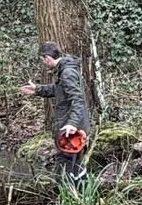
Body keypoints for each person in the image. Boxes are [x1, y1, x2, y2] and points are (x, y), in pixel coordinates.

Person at [21, 42, 91, 188]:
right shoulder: (66, 69)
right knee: (75, 162)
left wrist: (71, 123)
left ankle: (68, 198)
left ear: (47, 58)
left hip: (72, 128)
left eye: (43, 60)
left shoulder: (67, 73)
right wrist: (38, 90)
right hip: (72, 125)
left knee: (66, 162)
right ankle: (80, 198)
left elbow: (77, 100)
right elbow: (59, 90)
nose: (44, 63)